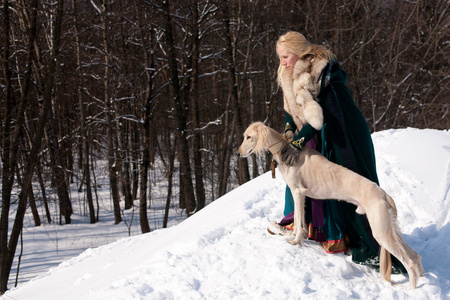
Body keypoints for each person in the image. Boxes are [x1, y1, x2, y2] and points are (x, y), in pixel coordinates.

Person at [273, 31, 404, 272]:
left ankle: (370, 244)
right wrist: (289, 129)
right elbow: (289, 110)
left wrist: (297, 144)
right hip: (318, 133)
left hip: (343, 134)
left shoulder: (314, 73)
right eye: (280, 57)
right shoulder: (287, 72)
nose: (282, 62)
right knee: (302, 177)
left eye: (286, 57)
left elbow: (316, 119)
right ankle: (305, 225)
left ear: (299, 53)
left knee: (348, 182)